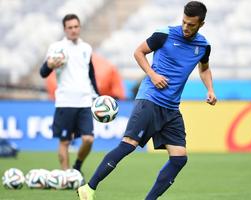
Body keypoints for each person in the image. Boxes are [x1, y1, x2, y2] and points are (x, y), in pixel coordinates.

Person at [78, 1, 216, 199]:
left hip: (171, 108)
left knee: (179, 158)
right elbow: (138, 52)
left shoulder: (203, 46)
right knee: (128, 145)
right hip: (150, 99)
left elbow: (204, 68)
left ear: (201, 24)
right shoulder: (165, 34)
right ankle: (89, 188)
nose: (186, 27)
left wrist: (210, 89)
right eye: (184, 22)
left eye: (191, 25)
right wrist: (152, 74)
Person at [40, 14, 99, 172]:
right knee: (65, 141)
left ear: (79, 27)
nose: (74, 30)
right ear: (65, 29)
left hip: (85, 101)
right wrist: (49, 65)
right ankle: (65, 176)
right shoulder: (57, 48)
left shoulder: (86, 48)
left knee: (88, 139)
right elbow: (43, 72)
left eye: (76, 26)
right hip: (65, 101)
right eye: (70, 27)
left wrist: (97, 96)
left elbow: (91, 73)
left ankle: (77, 166)